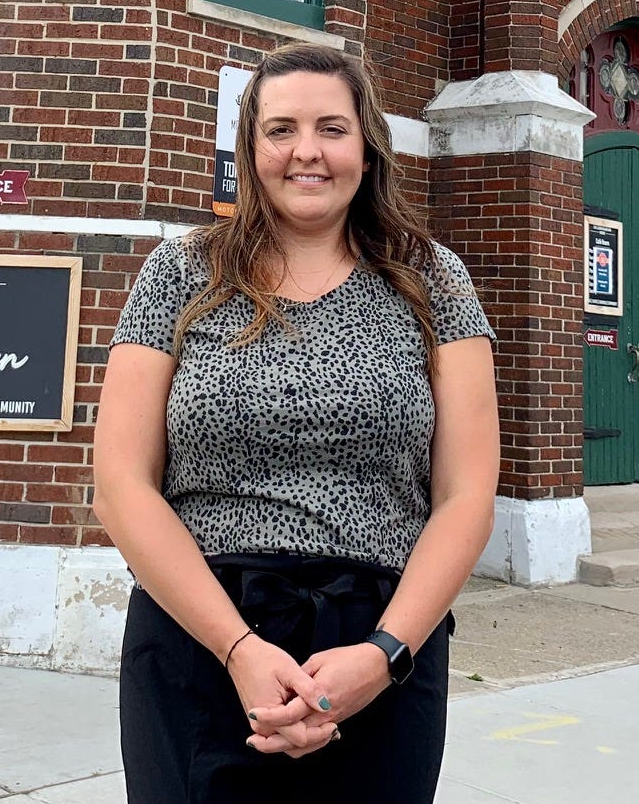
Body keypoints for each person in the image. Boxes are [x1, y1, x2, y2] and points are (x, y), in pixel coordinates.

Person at [92, 43, 500, 802]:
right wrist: (239, 649)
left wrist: (382, 654)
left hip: (381, 645)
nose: (305, 151)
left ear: (367, 148)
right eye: (280, 130)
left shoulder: (432, 278)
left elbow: (467, 495)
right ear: (250, 150)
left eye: (331, 129)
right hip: (199, 637)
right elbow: (120, 486)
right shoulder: (180, 272)